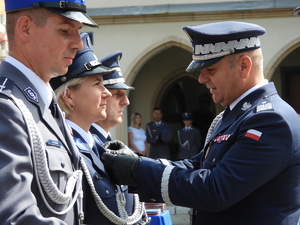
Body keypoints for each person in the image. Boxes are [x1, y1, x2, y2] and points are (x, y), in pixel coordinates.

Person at [101, 21, 300, 225]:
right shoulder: (235, 115)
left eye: (211, 70)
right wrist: (138, 163)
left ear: (243, 66)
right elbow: (197, 165)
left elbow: (216, 189)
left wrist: (136, 171)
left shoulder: (270, 119)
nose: (201, 79)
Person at [0, 0, 98, 224]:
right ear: (26, 28)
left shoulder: (45, 105)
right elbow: (14, 217)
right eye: (65, 30)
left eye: (78, 32)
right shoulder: (6, 107)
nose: (78, 44)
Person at [88, 51, 150, 224]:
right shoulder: (88, 147)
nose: (126, 101)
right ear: (102, 97)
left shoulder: (111, 145)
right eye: (117, 94)